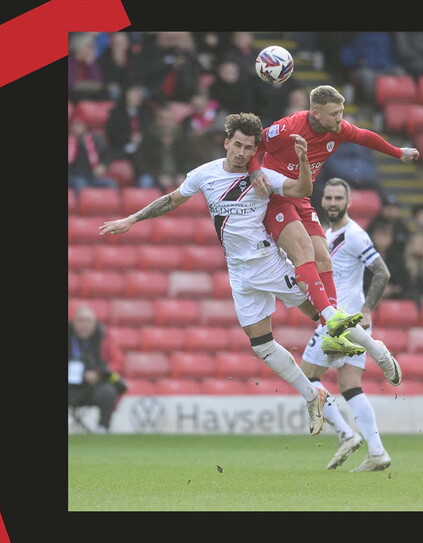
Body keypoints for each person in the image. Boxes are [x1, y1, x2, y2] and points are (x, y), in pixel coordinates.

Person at [98, 112, 355, 436]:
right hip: (240, 273)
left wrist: (304, 161)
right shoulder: (205, 174)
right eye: (238, 145)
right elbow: (171, 200)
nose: (242, 152)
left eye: (249, 147)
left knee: (321, 313)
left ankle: (372, 347)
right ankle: (312, 395)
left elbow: (301, 188)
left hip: (268, 264)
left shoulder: (262, 176)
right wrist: (132, 219)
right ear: (226, 143)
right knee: (261, 345)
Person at [246, 85, 418, 387]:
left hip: (301, 198)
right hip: (276, 198)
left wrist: (398, 152)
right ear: (316, 113)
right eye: (335, 114)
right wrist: (255, 171)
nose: (341, 119)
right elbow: (254, 143)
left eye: (341, 112)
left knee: (324, 257)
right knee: (303, 250)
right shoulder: (288, 128)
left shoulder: (337, 129)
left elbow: (365, 136)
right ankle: (336, 324)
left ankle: (333, 332)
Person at [300, 177, 400, 472]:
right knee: (350, 385)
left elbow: (382, 272)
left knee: (306, 376)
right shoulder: (329, 233)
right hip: (351, 321)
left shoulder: (354, 234)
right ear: (322, 201)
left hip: (340, 319)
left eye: (338, 199)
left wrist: (367, 309)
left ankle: (346, 434)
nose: (333, 203)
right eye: (329, 198)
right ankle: (377, 451)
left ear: (349, 202)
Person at [68, 304, 128, 434]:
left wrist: (99, 373)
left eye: (88, 320)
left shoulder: (106, 338)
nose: (84, 324)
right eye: (80, 320)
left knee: (108, 391)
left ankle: (103, 428)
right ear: (73, 322)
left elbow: (118, 362)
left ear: (95, 323)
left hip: (93, 386)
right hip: (70, 385)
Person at [68, 116, 117, 194]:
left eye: (79, 124)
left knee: (110, 183)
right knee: (81, 184)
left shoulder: (95, 139)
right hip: (73, 176)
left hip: (93, 176)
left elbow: (108, 153)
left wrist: (103, 165)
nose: (77, 128)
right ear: (70, 127)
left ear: (85, 126)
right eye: (74, 125)